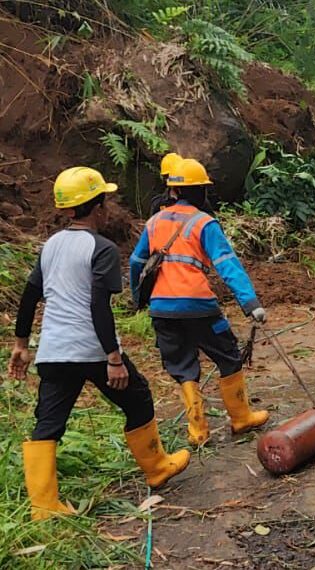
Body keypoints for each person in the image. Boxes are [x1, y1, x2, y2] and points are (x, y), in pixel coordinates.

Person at [9, 167, 190, 520]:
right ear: (97, 207)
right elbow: (97, 304)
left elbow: (30, 296)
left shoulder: (50, 246)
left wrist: (21, 343)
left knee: (48, 424)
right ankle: (157, 468)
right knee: (137, 398)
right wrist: (113, 357)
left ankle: (44, 507)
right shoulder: (101, 248)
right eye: (103, 201)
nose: (106, 208)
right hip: (91, 349)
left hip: (54, 351)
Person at [129, 158, 269, 446]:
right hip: (199, 305)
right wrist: (250, 302)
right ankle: (241, 418)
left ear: (173, 191)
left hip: (162, 309)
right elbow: (227, 264)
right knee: (228, 355)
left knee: (182, 366)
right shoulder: (204, 223)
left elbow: (136, 261)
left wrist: (138, 296)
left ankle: (198, 431)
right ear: (201, 192)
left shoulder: (154, 222)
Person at [148, 152, 182, 217]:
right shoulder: (158, 203)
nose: (174, 179)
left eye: (176, 175)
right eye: (169, 176)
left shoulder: (195, 201)